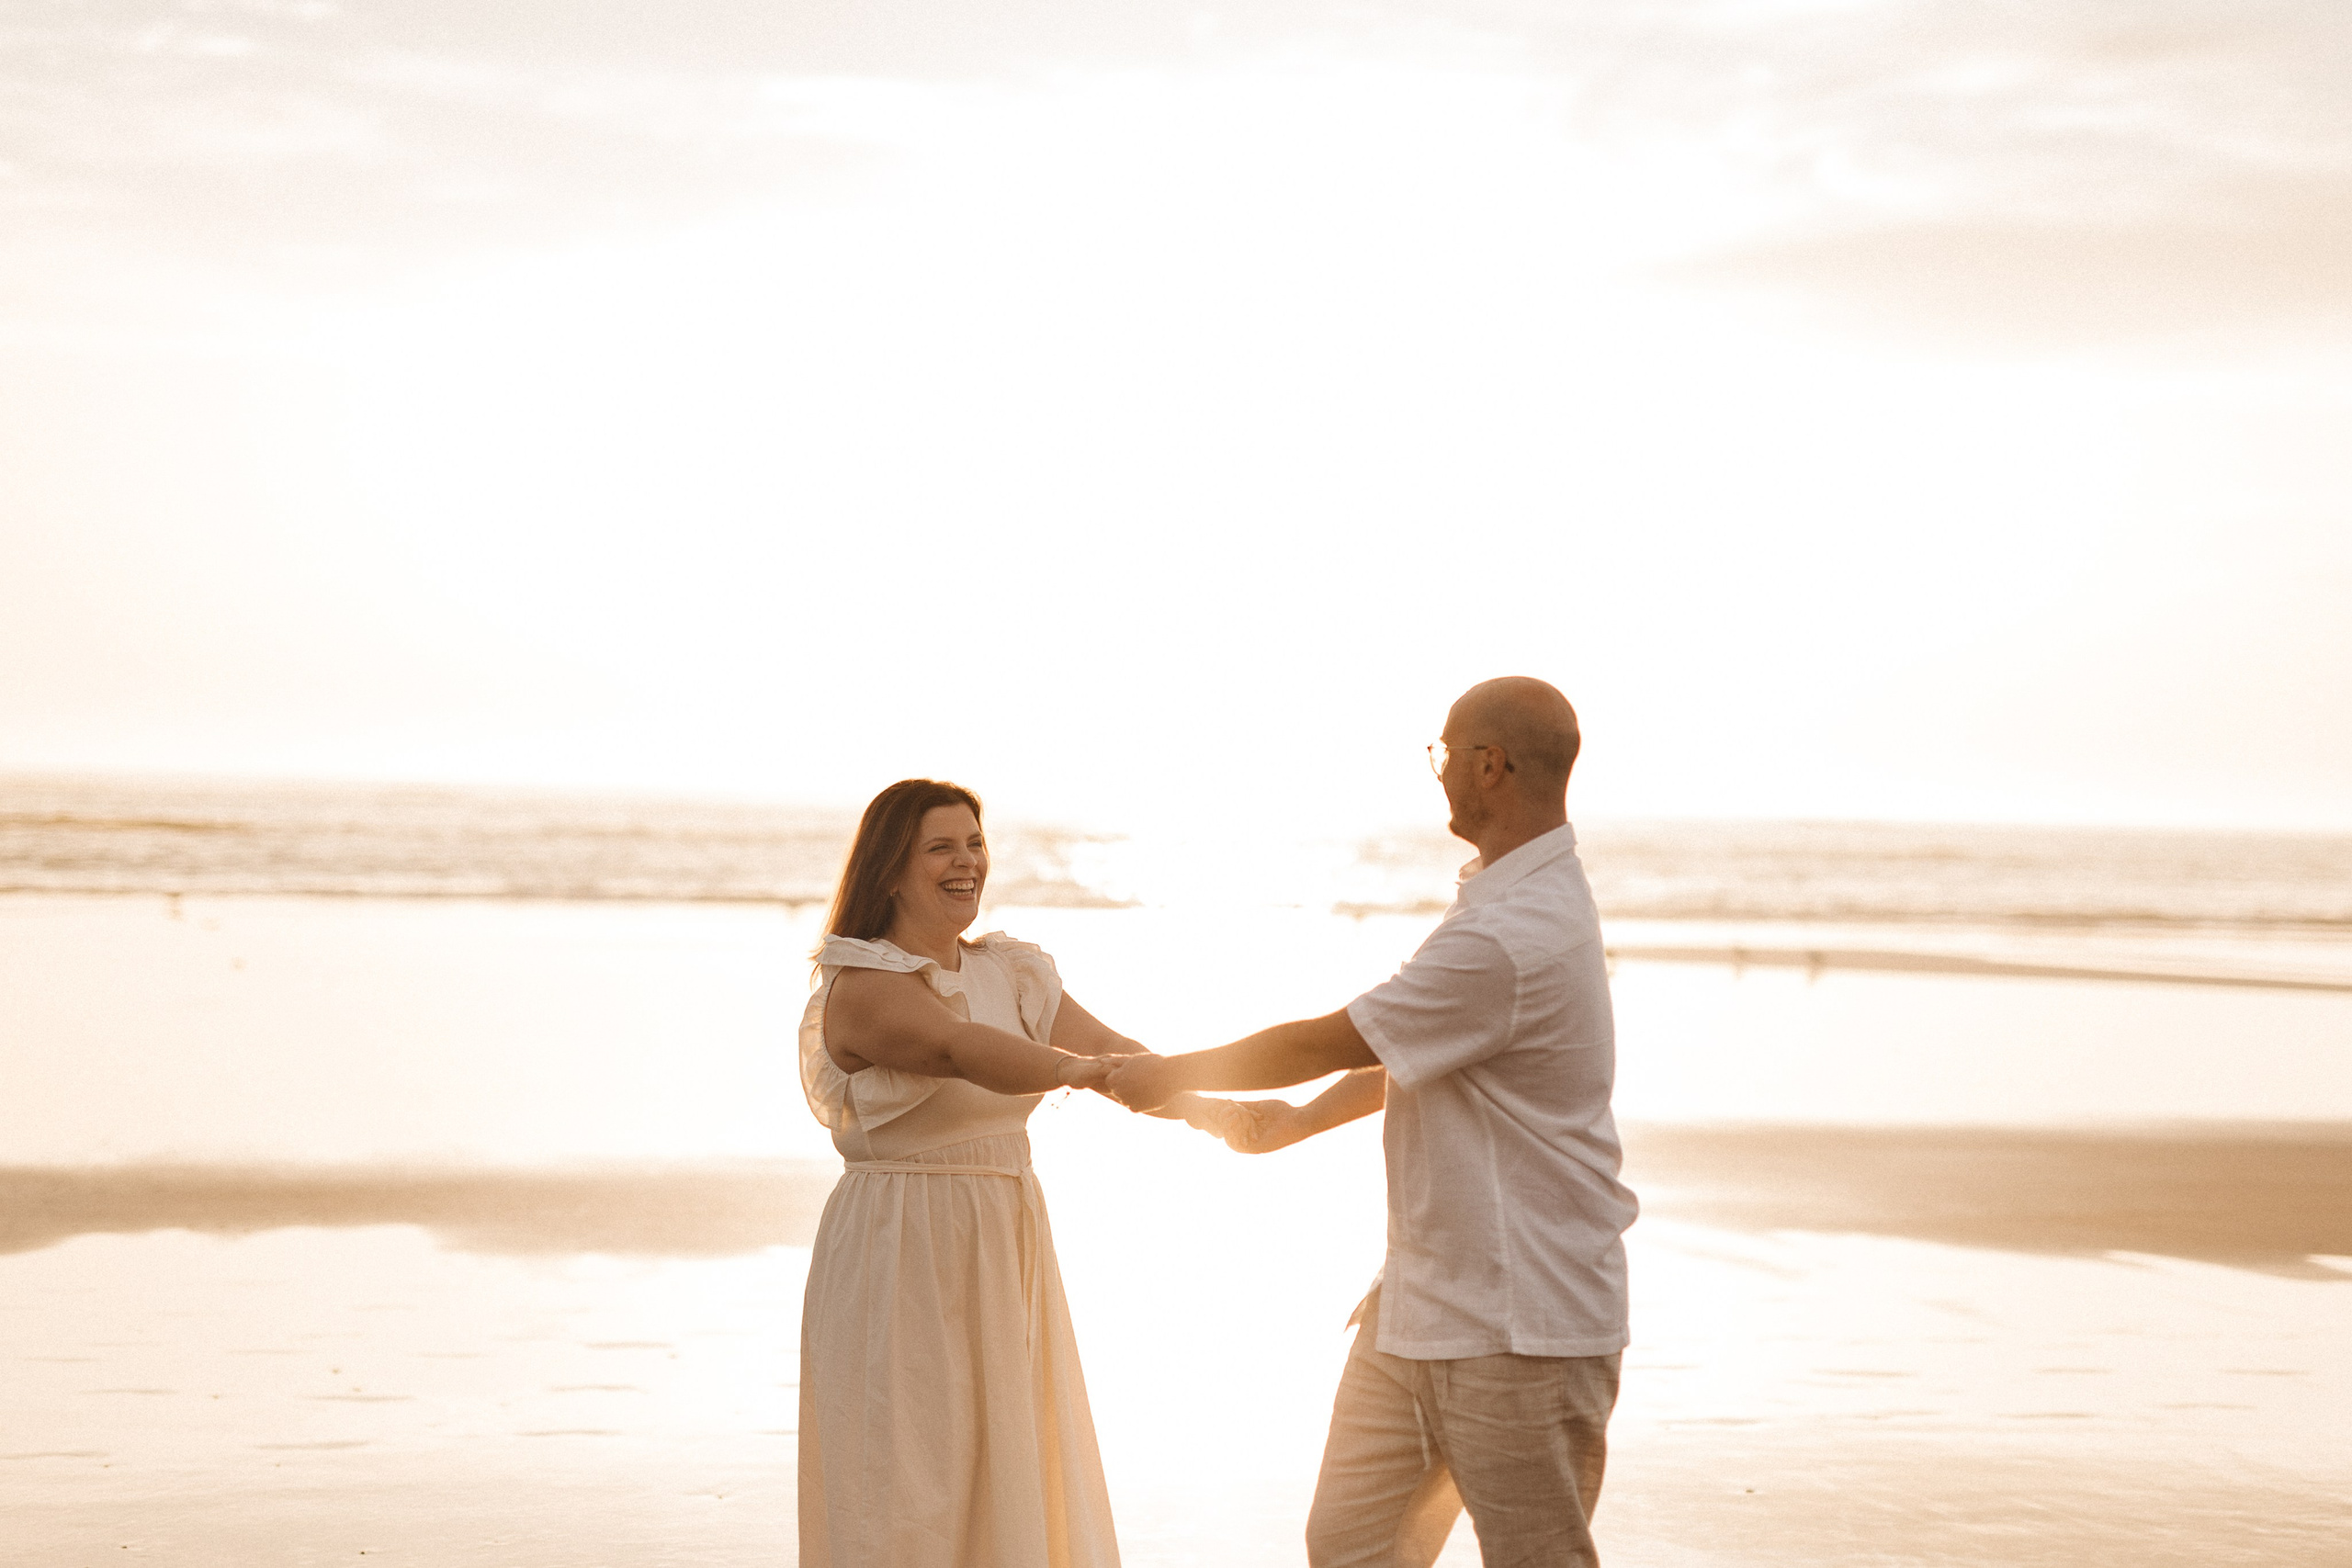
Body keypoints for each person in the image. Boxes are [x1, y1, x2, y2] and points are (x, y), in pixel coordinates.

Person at [1107, 677, 1638, 1568]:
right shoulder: (1500, 905)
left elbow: (1331, 1039)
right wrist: (1294, 1127)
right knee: (1350, 1545)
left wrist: (1166, 1075)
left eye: (1443, 755)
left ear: (1489, 765)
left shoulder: (1514, 933)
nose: (1437, 776)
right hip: (1420, 1306)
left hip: (1524, 1325)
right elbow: (1415, 1049)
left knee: (1536, 1557)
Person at [797, 777, 1235, 1568]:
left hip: (1003, 1237)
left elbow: (1120, 1053)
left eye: (974, 843)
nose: (967, 862)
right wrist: (1085, 1072)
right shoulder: (862, 986)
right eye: (941, 847)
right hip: (902, 1247)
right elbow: (958, 1048)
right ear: (890, 869)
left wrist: (1207, 1104)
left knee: (1012, 1471)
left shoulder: (1012, 972)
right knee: (909, 1481)